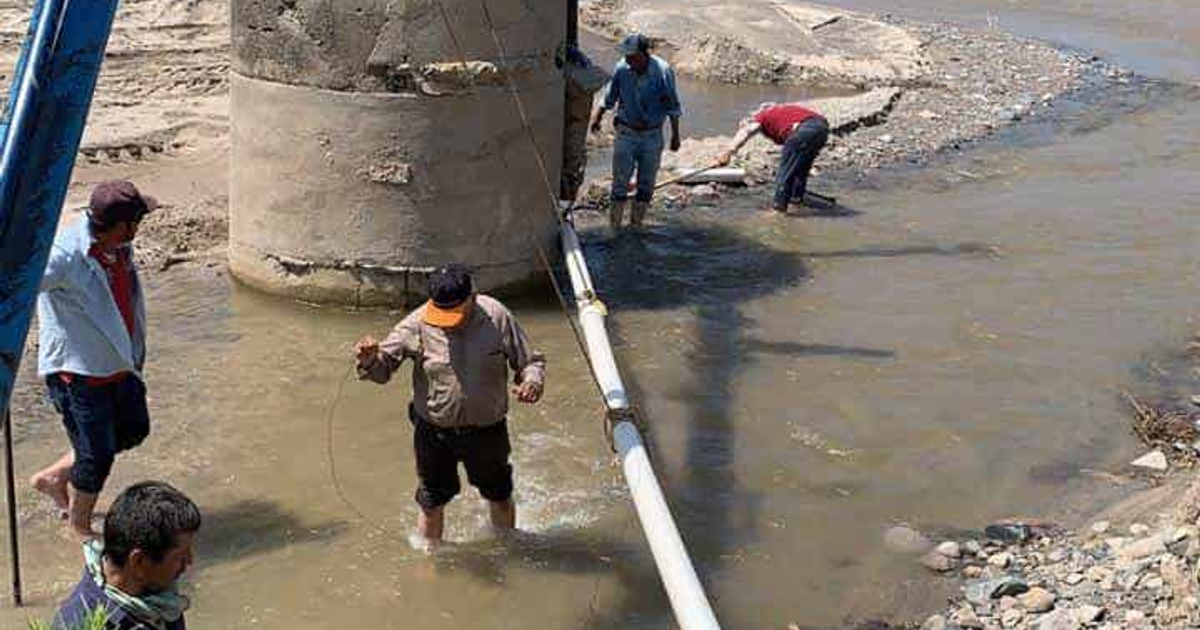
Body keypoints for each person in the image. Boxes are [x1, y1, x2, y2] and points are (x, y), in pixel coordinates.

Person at [354, 265, 546, 544]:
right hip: (433, 432)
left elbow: (530, 361)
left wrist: (532, 383)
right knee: (431, 504)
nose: (445, 321)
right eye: (439, 313)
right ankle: (429, 560)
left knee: (500, 497)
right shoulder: (418, 322)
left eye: (452, 313)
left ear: (472, 296)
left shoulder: (497, 316)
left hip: (486, 430)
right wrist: (369, 359)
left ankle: (507, 546)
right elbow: (382, 372)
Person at [30, 180, 157, 538]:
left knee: (133, 430)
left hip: (119, 362)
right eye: (137, 221)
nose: (139, 228)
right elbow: (16, 281)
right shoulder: (64, 256)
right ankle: (79, 528)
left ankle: (54, 477)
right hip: (79, 374)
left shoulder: (118, 246)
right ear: (123, 226)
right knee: (97, 457)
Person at [54, 481, 201, 630]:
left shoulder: (158, 596)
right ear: (139, 561)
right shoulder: (83, 625)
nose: (190, 561)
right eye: (180, 556)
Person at [590, 33, 683, 230]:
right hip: (626, 133)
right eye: (626, 57)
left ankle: (636, 226)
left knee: (646, 184)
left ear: (644, 54)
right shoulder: (622, 68)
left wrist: (675, 135)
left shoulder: (663, 72)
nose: (628, 61)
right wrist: (597, 118)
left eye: (632, 57)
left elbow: (673, 106)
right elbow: (609, 97)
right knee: (619, 183)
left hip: (652, 135)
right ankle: (614, 228)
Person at [718, 102, 830, 213]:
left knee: (785, 171)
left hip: (805, 130)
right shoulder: (783, 112)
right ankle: (796, 200)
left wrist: (728, 152)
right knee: (800, 169)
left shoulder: (761, 116)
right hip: (822, 129)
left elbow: (747, 131)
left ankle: (778, 209)